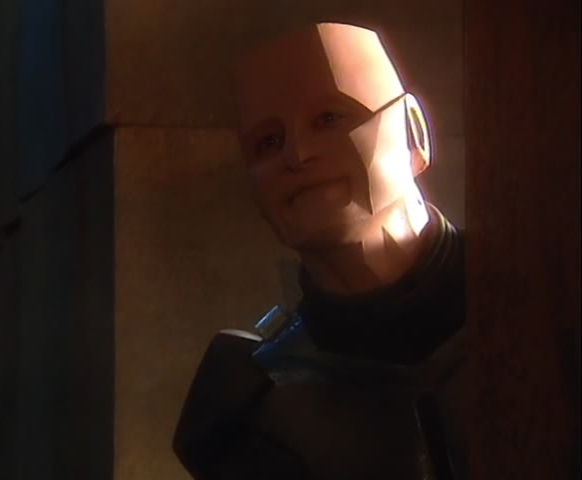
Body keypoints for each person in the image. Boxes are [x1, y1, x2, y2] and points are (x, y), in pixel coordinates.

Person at [173, 22, 467, 480]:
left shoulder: (549, 300)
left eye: (330, 118)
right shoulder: (247, 401)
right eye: (268, 142)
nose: (297, 155)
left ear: (414, 133)